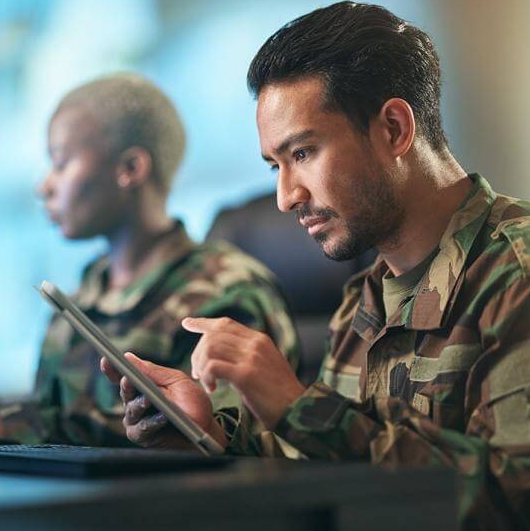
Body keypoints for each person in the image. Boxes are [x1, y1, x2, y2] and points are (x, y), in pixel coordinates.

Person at [101, 4, 530, 528]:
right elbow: (333, 466)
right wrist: (213, 435)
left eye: (302, 153)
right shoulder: (364, 296)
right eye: (275, 165)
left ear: (395, 129)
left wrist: (300, 408)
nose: (285, 197)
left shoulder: (516, 271)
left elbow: (513, 497)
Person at [0, 73, 299, 450]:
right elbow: (53, 426)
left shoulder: (228, 292)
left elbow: (231, 447)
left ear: (130, 169)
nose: (44, 186)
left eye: (60, 163)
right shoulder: (82, 295)